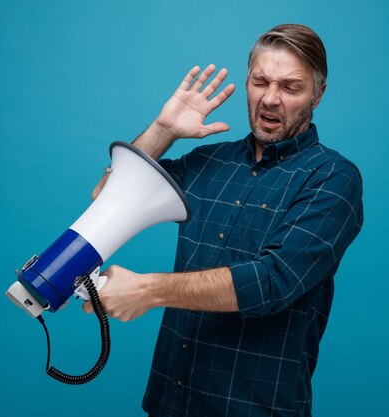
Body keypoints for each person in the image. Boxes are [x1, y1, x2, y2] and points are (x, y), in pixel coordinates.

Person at [85, 24, 363, 417]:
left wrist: (147, 289)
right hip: (169, 402)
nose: (270, 99)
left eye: (290, 87)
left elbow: (272, 282)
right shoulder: (206, 162)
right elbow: (107, 197)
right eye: (260, 81)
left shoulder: (333, 178)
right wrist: (162, 131)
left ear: (317, 94)